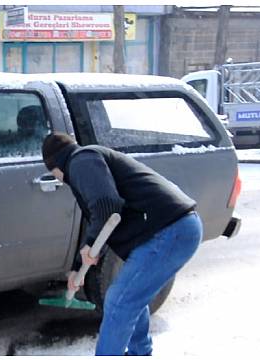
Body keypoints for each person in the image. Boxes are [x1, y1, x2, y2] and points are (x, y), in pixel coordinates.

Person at [41, 132, 203, 356]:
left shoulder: (80, 160)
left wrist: (90, 244)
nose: (59, 180)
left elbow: (107, 207)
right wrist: (78, 268)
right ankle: (139, 352)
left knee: (120, 302)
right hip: (168, 229)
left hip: (170, 231)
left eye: (54, 175)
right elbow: (100, 223)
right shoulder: (87, 161)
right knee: (128, 295)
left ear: (55, 166)